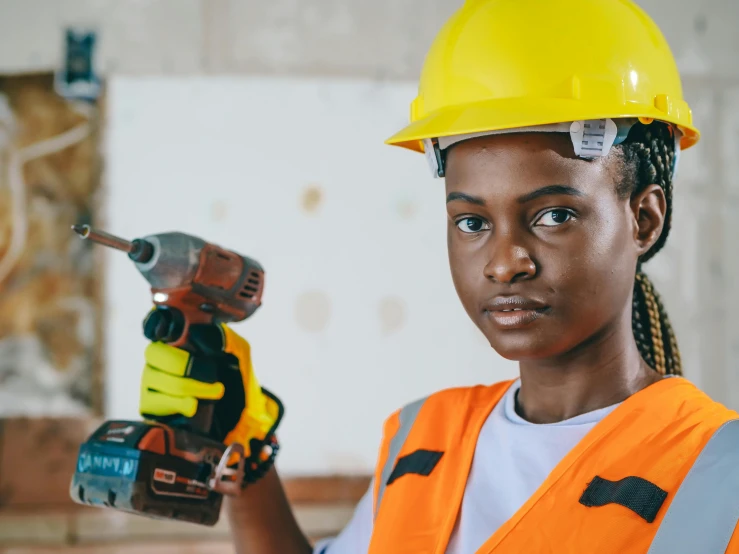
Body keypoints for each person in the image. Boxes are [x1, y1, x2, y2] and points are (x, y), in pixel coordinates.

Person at [137, 0, 739, 552]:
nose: (504, 262)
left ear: (644, 218)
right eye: (473, 222)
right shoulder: (423, 439)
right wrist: (249, 454)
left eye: (553, 215)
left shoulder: (718, 472)